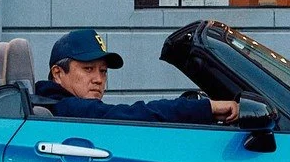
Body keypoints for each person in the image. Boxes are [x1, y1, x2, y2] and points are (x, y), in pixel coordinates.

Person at [33, 28, 239, 124]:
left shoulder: (55, 106)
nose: (98, 79)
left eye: (103, 71)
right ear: (58, 74)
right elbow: (137, 114)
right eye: (88, 69)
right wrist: (206, 108)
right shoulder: (66, 109)